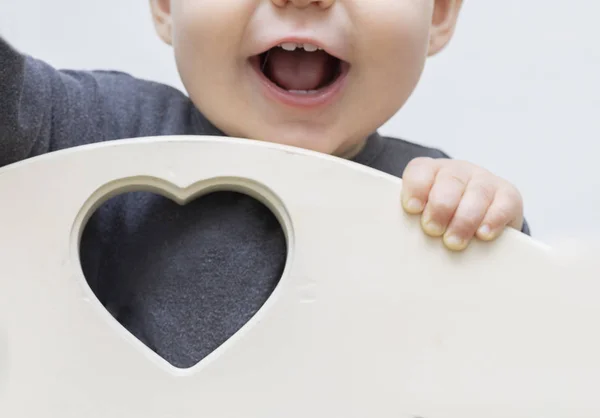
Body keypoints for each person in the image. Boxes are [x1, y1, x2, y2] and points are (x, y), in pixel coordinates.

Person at [0, 0, 529, 368]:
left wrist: (491, 234)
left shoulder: (427, 200)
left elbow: (517, 354)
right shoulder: (99, 132)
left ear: (436, 13)